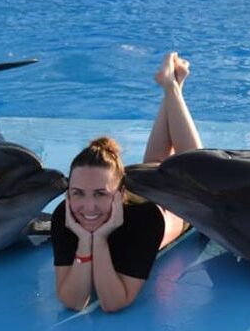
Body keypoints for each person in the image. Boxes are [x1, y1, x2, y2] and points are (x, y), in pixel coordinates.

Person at [51, 52, 203, 313]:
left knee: (198, 175)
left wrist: (99, 240)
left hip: (174, 204)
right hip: (136, 181)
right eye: (78, 193)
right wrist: (85, 240)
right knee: (154, 163)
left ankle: (171, 85)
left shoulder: (144, 220)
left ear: (120, 194)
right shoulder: (64, 216)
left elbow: (113, 302)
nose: (88, 206)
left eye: (99, 194)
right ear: (68, 193)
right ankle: (172, 83)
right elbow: (73, 301)